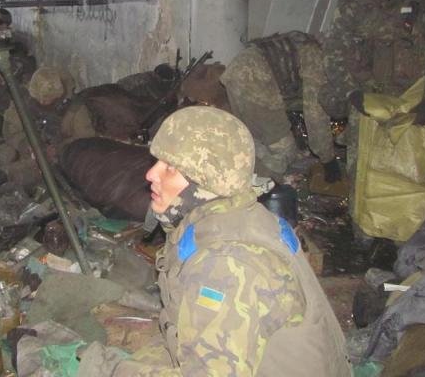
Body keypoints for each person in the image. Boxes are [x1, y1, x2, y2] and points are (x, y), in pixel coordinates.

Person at [107, 106, 351, 376]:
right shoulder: (240, 215)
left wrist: (112, 369)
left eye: (171, 168)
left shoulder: (226, 265)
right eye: (157, 162)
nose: (151, 174)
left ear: (205, 183)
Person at [319, 0, 425, 214]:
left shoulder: (424, 5)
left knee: (409, 171)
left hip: (409, 102)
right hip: (366, 102)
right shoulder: (353, 3)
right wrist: (351, 92)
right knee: (362, 171)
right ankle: (362, 228)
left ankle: (404, 225)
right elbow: (335, 51)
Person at [221, 31, 340, 182]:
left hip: (235, 74)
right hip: (256, 82)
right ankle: (269, 186)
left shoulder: (301, 43)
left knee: (253, 142)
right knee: (284, 152)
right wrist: (328, 158)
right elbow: (315, 113)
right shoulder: (315, 58)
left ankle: (242, 179)